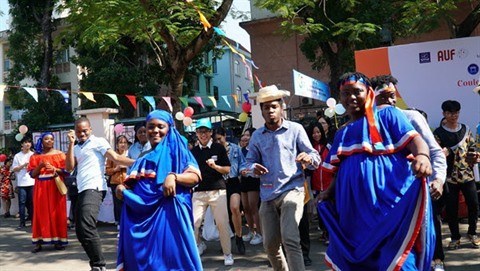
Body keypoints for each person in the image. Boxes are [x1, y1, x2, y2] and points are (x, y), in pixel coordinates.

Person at [318, 72, 435, 270]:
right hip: (353, 208)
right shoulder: (341, 133)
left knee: (399, 256)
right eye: (346, 93)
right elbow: (338, 171)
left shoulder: (388, 115)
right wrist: (329, 192)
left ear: (369, 92)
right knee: (361, 257)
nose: (351, 97)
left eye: (357, 92)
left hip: (389, 203)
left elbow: (417, 143)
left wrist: (422, 157)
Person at [371, 75, 447, 270]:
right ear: (372, 96)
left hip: (413, 198)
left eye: (393, 95)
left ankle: (435, 262)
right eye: (385, 95)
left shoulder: (411, 117)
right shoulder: (364, 124)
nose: (391, 100)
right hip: (379, 203)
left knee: (413, 251)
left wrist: (438, 180)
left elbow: (435, 152)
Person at [242, 85, 321, 271]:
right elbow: (247, 164)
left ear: (281, 107)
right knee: (269, 245)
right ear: (261, 111)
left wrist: (308, 158)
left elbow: (315, 157)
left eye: (273, 106)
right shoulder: (256, 136)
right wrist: (254, 168)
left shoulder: (296, 129)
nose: (270, 110)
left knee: (290, 239)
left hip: (292, 189)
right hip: (268, 194)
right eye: (265, 107)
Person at [115, 110, 202, 271]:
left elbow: (195, 177)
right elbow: (130, 185)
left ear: (169, 128)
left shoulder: (179, 151)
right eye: (151, 127)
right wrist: (121, 189)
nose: (155, 131)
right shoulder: (142, 157)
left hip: (169, 216)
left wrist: (174, 176)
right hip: (141, 219)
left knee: (172, 260)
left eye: (160, 126)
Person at [65, 117, 134, 271]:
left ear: (90, 129)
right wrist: (70, 144)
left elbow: (115, 158)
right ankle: (96, 263)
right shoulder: (76, 147)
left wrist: (138, 162)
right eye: (78, 131)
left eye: (84, 131)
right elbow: (69, 167)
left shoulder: (99, 142)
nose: (82, 134)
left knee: (86, 224)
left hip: (95, 187)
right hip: (81, 189)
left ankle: (99, 265)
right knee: (79, 229)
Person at [433, 100, 480, 249]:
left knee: (473, 205)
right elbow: (435, 153)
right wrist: (444, 152)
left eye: (456, 112)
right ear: (444, 114)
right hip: (449, 177)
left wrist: (475, 154)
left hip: (467, 175)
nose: (454, 116)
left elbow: (472, 146)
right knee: (452, 209)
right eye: (450, 113)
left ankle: (473, 233)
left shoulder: (465, 129)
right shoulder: (438, 133)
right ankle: (455, 237)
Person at [190, 118, 233, 266]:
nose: (203, 134)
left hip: (217, 190)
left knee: (222, 223)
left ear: (211, 132)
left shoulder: (218, 148)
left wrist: (215, 167)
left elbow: (227, 169)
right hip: (199, 192)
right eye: (200, 131)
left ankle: (227, 253)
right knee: (194, 223)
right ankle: (197, 246)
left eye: (206, 131)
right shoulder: (193, 152)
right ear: (196, 133)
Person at [28, 132, 69, 253]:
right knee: (40, 213)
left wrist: (55, 169)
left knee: (57, 212)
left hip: (55, 186)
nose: (49, 141)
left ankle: (58, 240)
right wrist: (40, 166)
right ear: (42, 140)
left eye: (51, 139)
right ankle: (38, 241)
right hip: (40, 187)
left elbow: (67, 172)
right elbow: (32, 174)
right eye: (46, 139)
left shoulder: (60, 155)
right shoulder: (35, 156)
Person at [214, 126, 246, 255]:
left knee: (234, 208)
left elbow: (242, 162)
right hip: (218, 184)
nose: (217, 142)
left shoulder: (235, 148)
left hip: (233, 182)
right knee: (222, 216)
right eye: (215, 140)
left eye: (219, 139)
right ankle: (225, 241)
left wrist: (242, 170)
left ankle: (239, 238)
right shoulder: (213, 150)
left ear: (224, 136)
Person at [305, 122, 332, 245]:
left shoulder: (329, 147)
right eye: (314, 132)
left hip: (328, 185)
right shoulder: (309, 149)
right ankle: (324, 231)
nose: (316, 134)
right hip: (316, 185)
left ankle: (328, 233)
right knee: (320, 211)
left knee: (329, 210)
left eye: (318, 132)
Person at [239, 128, 263, 246]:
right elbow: (239, 164)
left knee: (254, 206)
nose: (246, 137)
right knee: (246, 206)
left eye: (248, 135)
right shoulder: (242, 150)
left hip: (254, 180)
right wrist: (241, 170)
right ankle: (251, 231)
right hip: (244, 180)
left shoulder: (257, 149)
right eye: (245, 135)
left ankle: (259, 232)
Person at [105, 135, 130, 227]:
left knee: (128, 202)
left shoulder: (130, 154)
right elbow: (107, 171)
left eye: (125, 142)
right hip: (115, 182)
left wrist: (127, 166)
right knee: (117, 203)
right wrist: (116, 169)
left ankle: (128, 221)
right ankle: (118, 222)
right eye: (120, 142)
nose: (123, 144)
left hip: (128, 182)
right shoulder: (113, 156)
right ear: (117, 145)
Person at [11, 137, 35, 230]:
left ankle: (33, 221)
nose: (27, 144)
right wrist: (23, 165)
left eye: (29, 142)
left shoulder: (33, 155)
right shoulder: (18, 156)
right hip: (21, 183)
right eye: (25, 142)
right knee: (22, 203)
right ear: (22, 144)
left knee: (32, 203)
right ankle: (22, 222)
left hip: (32, 182)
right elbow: (14, 168)